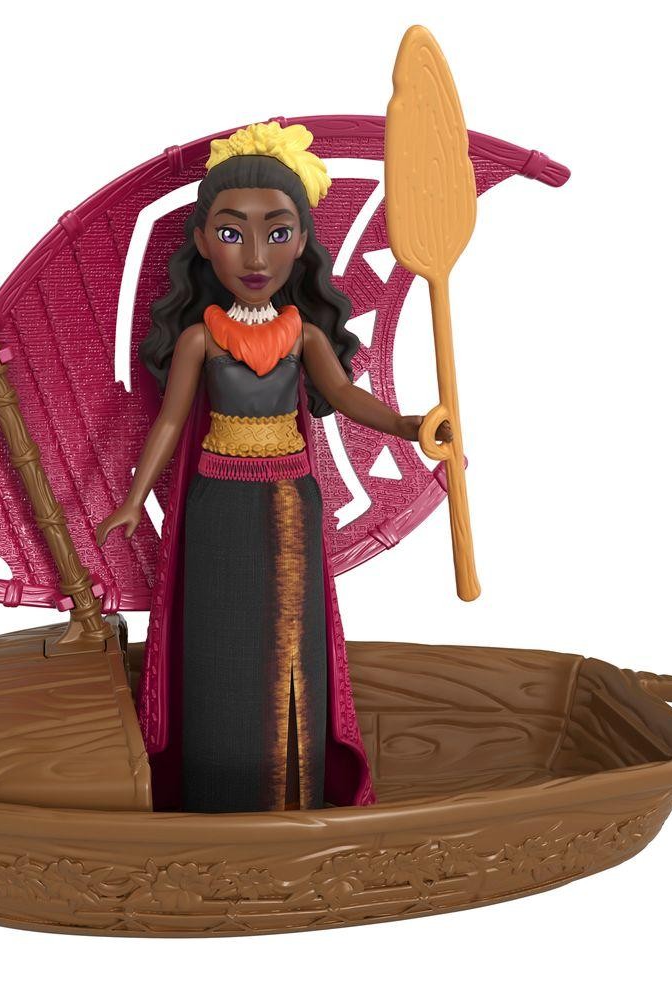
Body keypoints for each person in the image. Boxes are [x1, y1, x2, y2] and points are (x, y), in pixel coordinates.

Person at [96, 121, 450, 813]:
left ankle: (294, 790)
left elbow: (343, 396)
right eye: (232, 233)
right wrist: (135, 499)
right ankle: (216, 792)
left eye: (278, 232)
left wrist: (409, 427)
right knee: (219, 636)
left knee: (293, 635)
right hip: (217, 502)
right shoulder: (200, 339)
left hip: (291, 497)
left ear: (303, 241)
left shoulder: (304, 335)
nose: (256, 256)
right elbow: (170, 421)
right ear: (203, 242)